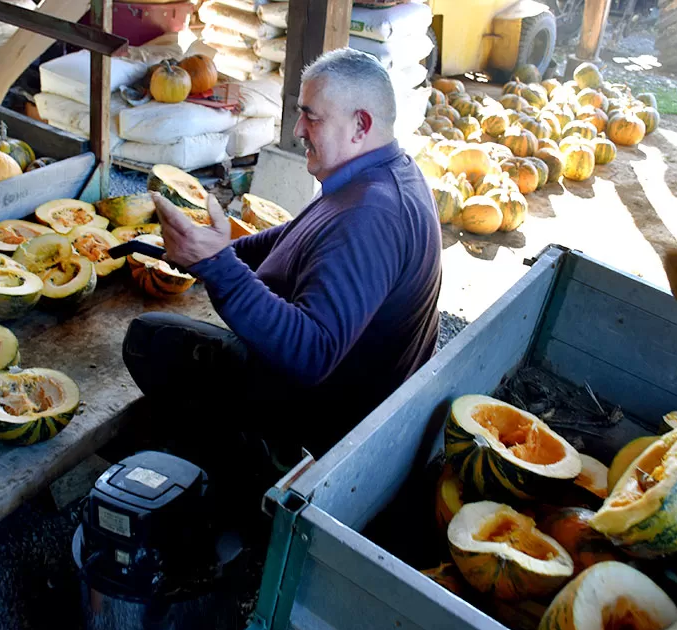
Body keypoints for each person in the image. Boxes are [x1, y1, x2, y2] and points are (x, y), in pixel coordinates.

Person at [123, 47, 443, 460]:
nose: (298, 129)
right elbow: (293, 237)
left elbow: (312, 354)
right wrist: (207, 253)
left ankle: (246, 466)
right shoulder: (377, 174)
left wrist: (219, 268)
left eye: (312, 116)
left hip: (323, 422)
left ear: (360, 124)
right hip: (347, 394)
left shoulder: (371, 215)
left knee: (149, 339)